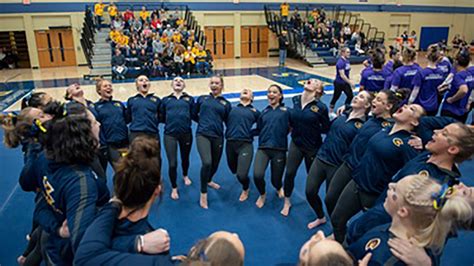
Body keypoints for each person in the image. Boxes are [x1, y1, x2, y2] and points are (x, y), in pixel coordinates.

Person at [346, 121, 474, 247]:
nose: (436, 131)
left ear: (452, 149)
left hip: (382, 231)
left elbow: (437, 228)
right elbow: (425, 123)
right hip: (377, 209)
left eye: (444, 133)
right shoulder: (428, 154)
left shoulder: (441, 184)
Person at [331, 103, 425, 243]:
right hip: (356, 183)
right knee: (337, 219)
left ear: (415, 122)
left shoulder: (409, 144)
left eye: (412, 109)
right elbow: (371, 111)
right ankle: (339, 245)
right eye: (406, 105)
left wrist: (424, 141)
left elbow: (414, 173)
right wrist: (347, 108)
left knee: (366, 232)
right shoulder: (385, 128)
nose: (405, 106)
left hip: (374, 194)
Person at [38, 103, 110, 264]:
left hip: (52, 245)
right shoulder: (81, 182)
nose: (98, 124)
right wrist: (137, 244)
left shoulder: (45, 159)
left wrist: (55, 228)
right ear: (84, 134)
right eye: (94, 122)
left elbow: (40, 206)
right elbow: (85, 251)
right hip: (66, 256)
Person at [348, 174, 472, 265]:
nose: (390, 185)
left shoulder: (385, 258)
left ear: (402, 211)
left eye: (395, 190)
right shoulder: (426, 238)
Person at [325, 90, 402, 218]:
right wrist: (347, 106)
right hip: (348, 164)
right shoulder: (371, 117)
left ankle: (342, 225)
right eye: (375, 98)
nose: (373, 101)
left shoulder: (391, 127)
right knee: (330, 198)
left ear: (388, 106)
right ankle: (337, 223)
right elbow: (360, 110)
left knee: (365, 211)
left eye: (378, 100)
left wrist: (418, 141)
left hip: (364, 171)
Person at [305, 91, 373, 229]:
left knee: (331, 200)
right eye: (357, 95)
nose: (355, 97)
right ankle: (320, 217)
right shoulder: (342, 113)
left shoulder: (364, 125)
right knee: (310, 191)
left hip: (337, 165)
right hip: (321, 157)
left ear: (367, 105)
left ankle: (337, 226)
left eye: (361, 97)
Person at [281, 79, 330, 216]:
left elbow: (326, 128)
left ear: (318, 90)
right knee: (289, 173)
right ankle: (287, 201)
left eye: (315, 82)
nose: (311, 81)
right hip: (296, 144)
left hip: (312, 147)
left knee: (311, 177)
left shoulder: (321, 107)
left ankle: (317, 206)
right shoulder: (295, 99)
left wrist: (312, 130)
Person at [194, 75, 231, 209]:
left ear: (221, 85)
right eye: (212, 83)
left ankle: (209, 180)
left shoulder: (226, 104)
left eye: (217, 83)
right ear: (210, 85)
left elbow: (228, 121)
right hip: (202, 134)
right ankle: (203, 193)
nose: (214, 85)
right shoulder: (202, 99)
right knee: (207, 162)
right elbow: (194, 113)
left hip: (218, 136)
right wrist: (203, 123)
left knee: (215, 164)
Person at [253, 84, 290, 208]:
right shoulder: (264, 112)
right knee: (257, 175)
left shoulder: (287, 111)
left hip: (279, 149)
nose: (271, 94)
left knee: (276, 180)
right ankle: (262, 194)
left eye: (274, 92)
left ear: (280, 96)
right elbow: (259, 129)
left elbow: (292, 127)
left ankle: (278, 187)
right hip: (263, 148)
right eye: (269, 92)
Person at [160, 77, 194, 200]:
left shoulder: (189, 99)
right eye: (176, 80)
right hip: (170, 135)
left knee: (185, 158)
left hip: (186, 134)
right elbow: (162, 116)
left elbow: (193, 114)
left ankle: (185, 175)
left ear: (184, 85)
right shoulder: (165, 100)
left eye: (181, 80)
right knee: (172, 163)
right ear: (171, 84)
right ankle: (174, 187)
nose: (178, 82)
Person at [225, 88, 260, 201]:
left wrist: (250, 133)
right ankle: (241, 175)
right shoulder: (231, 109)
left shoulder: (255, 112)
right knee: (233, 170)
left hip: (245, 145)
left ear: (252, 98)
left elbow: (261, 128)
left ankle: (246, 188)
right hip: (230, 143)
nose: (245, 90)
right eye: (243, 91)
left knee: (241, 175)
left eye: (249, 91)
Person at [91, 79, 129, 170]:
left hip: (124, 143)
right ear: (99, 90)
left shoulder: (119, 104)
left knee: (128, 169)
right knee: (119, 170)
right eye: (105, 86)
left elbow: (126, 119)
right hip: (110, 145)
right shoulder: (96, 107)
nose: (108, 87)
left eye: (110, 86)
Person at [409, 44, 445, 116]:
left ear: (426, 57)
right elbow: (441, 90)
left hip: (421, 105)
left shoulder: (421, 73)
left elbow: (415, 91)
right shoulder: (441, 73)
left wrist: (409, 103)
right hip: (434, 105)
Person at [441, 48, 473, 122]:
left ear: (456, 62)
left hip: (451, 109)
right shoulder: (470, 74)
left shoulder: (458, 76)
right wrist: (470, 101)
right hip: (463, 109)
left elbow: (464, 90)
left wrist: (452, 99)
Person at [126, 75, 161, 143]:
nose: (144, 81)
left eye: (146, 80)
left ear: (149, 84)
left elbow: (161, 116)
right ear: (137, 85)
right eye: (141, 80)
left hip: (152, 133)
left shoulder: (157, 100)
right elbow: (128, 117)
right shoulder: (131, 100)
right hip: (136, 134)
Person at [329, 47, 354, 114]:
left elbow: (347, 72)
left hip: (345, 83)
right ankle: (331, 111)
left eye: (349, 52)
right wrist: (350, 82)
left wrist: (349, 79)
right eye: (348, 52)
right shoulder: (340, 62)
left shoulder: (347, 61)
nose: (349, 53)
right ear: (343, 53)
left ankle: (345, 109)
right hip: (339, 83)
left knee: (350, 96)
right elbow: (342, 75)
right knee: (336, 96)